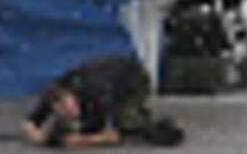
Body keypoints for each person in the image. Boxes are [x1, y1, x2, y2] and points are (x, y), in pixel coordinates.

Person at [26, 49, 179, 148]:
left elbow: (112, 136)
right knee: (88, 123)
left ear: (71, 96)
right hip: (107, 78)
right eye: (63, 113)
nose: (69, 113)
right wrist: (39, 136)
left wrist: (81, 141)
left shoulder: (96, 90)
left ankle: (141, 115)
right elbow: (28, 123)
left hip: (133, 80)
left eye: (68, 107)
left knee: (126, 122)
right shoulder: (57, 91)